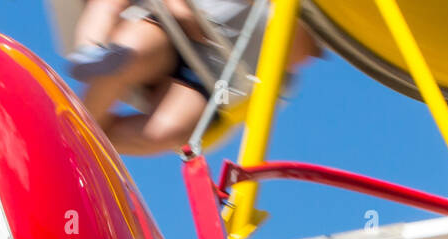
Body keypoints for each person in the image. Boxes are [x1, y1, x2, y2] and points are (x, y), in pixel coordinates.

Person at [68, 0, 324, 156]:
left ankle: (79, 142)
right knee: (126, 59)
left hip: (215, 74)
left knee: (164, 133)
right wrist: (178, 8)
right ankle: (72, 130)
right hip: (174, 30)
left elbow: (306, 48)